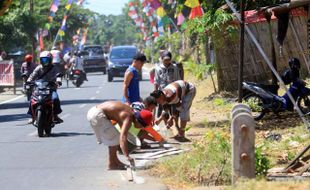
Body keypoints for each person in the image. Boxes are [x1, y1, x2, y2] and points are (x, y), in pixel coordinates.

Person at [87, 101, 153, 170]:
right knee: (114, 138)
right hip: (97, 115)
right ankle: (112, 164)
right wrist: (127, 156)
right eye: (142, 126)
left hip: (94, 111)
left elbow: (123, 131)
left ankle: (116, 162)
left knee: (114, 136)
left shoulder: (130, 111)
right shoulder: (128, 117)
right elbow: (123, 137)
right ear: (138, 120)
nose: (141, 128)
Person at [27, 51, 63, 123]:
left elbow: (58, 75)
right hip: (39, 88)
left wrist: (58, 81)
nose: (45, 61)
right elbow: (32, 76)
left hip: (51, 88)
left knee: (55, 99)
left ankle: (55, 115)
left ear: (50, 60)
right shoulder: (38, 68)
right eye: (43, 60)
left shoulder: (54, 68)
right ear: (40, 60)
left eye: (46, 59)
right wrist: (28, 82)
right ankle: (32, 116)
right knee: (32, 100)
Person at [154, 50, 182, 130]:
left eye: (168, 59)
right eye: (165, 60)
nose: (167, 61)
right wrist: (156, 93)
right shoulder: (158, 68)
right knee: (163, 110)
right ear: (161, 59)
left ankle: (176, 125)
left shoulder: (174, 67)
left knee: (174, 110)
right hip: (162, 93)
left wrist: (179, 94)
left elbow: (178, 80)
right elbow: (156, 81)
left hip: (173, 93)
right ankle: (166, 126)